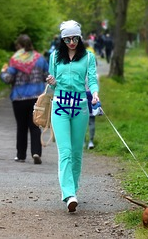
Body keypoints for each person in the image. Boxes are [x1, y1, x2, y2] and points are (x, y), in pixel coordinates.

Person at [46, 20, 99, 212]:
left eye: (75, 38)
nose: (71, 42)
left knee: (77, 152)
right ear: (62, 39)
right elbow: (52, 86)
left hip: (80, 108)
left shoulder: (88, 57)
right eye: (67, 39)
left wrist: (94, 93)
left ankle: (73, 190)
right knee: (65, 151)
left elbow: (92, 79)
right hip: (59, 107)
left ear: (80, 37)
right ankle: (68, 194)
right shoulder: (55, 57)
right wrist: (51, 81)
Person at [0, 34, 49, 164]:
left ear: (19, 46)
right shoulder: (40, 59)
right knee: (35, 126)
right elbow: (47, 76)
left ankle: (21, 155)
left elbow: (8, 79)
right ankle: (36, 152)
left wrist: (3, 72)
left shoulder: (15, 60)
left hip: (19, 98)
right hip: (36, 98)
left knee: (21, 127)